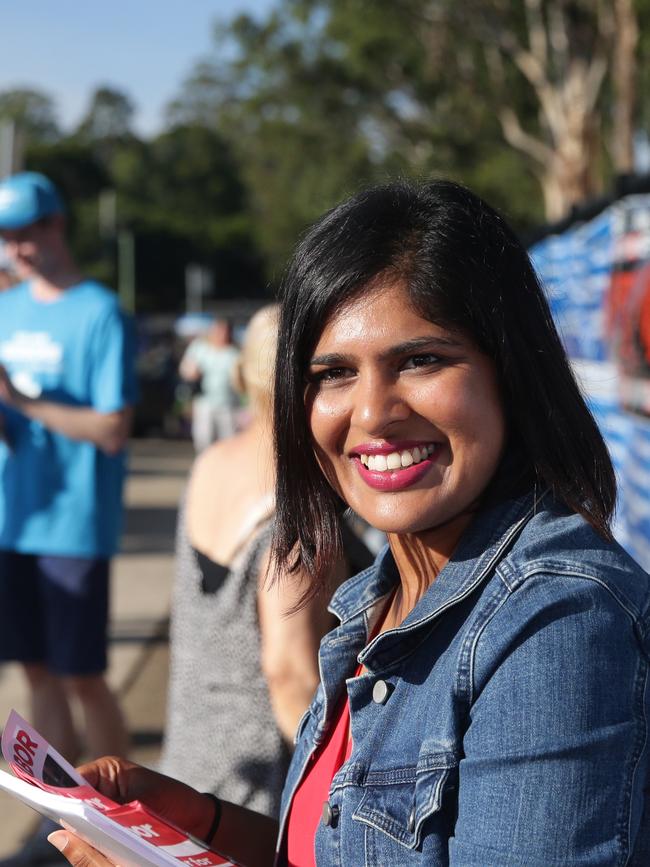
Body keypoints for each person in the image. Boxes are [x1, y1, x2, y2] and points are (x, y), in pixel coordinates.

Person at [49, 179, 650, 866]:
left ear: (508, 369)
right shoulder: (379, 593)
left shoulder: (558, 622)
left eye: (420, 359)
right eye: (332, 373)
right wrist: (202, 827)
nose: (371, 413)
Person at [160, 304, 364, 818]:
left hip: (193, 760)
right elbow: (291, 676)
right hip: (265, 790)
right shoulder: (297, 515)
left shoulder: (211, 463)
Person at [0, 173, 135, 789]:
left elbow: (111, 428)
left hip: (74, 525)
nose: (17, 249)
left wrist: (22, 402)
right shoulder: (6, 307)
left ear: (56, 225)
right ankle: (57, 809)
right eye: (7, 238)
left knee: (81, 672)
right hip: (13, 519)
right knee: (34, 670)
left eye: (27, 234)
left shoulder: (100, 312)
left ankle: (129, 807)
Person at [179, 316, 240, 451]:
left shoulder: (235, 354)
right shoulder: (199, 348)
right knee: (204, 443)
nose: (221, 334)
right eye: (218, 330)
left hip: (228, 405)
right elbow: (185, 369)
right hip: (204, 403)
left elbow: (239, 381)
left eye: (225, 331)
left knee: (229, 444)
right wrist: (192, 373)